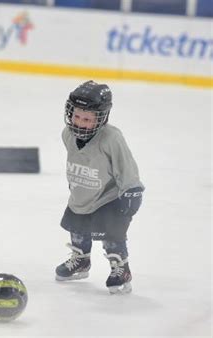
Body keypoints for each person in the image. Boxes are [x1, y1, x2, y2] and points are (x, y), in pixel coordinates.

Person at [55, 80, 144, 294]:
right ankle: (81, 260)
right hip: (82, 192)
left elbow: (125, 165)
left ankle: (121, 268)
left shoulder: (111, 138)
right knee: (77, 225)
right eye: (76, 116)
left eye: (87, 119)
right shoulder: (67, 134)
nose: (79, 122)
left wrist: (131, 189)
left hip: (108, 196)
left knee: (112, 234)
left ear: (101, 118)